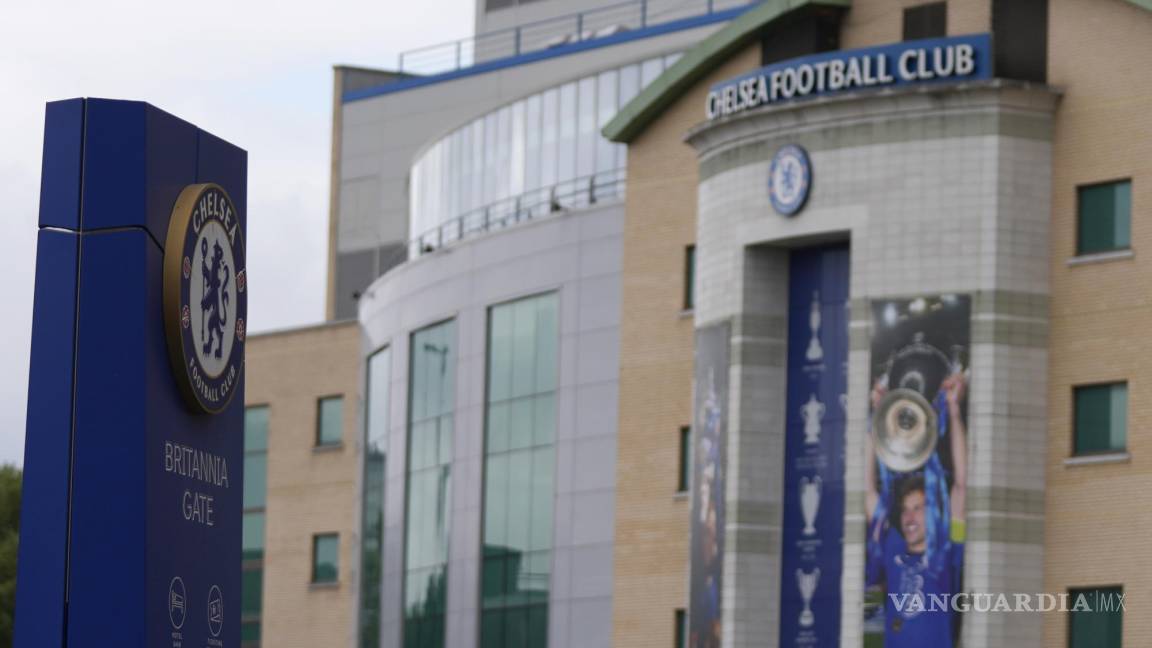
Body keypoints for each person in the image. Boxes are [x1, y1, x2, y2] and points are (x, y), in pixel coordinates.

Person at [865, 371, 967, 647]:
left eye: (918, 508)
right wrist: (877, 417)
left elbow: (960, 486)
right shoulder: (893, 546)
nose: (909, 516)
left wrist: (955, 412)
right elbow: (868, 490)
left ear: (931, 511)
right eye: (906, 509)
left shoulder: (949, 549)